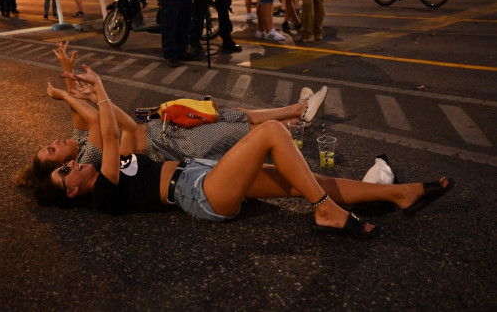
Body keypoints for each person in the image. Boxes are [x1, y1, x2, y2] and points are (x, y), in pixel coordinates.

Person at [33, 65, 454, 239]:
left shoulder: (103, 167)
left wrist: (76, 94)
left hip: (201, 170)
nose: (71, 164)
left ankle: (400, 194)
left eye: (65, 165)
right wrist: (101, 91)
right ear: (72, 192)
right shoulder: (103, 195)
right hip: (198, 192)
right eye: (64, 172)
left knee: (302, 182)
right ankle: (326, 210)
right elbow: (106, 131)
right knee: (272, 131)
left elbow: (109, 129)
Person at [14, 41, 328, 188]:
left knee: (231, 114)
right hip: (170, 145)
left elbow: (79, 115)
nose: (55, 141)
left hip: (164, 127)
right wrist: (65, 93)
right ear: (61, 166)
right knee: (243, 132)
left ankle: (296, 113)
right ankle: (295, 121)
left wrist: (67, 74)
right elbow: (97, 119)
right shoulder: (89, 158)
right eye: (53, 149)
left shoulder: (79, 140)